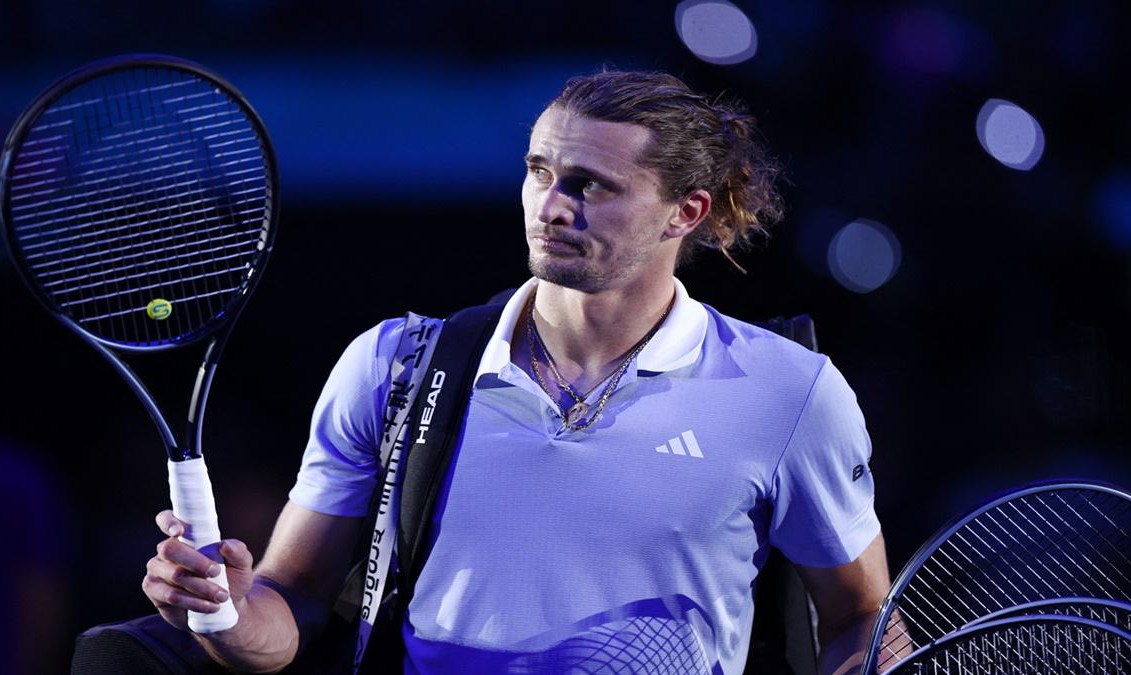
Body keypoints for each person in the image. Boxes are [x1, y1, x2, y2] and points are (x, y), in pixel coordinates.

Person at [142, 70, 891, 675]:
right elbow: (292, 605)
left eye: (592, 185)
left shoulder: (791, 393)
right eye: (540, 171)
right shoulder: (394, 365)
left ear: (684, 213)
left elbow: (861, 615)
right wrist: (227, 613)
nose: (552, 206)